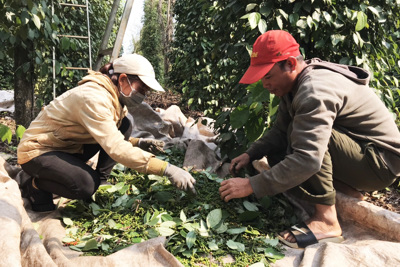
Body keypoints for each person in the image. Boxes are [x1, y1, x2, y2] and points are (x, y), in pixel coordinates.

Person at [219, 30, 400, 249]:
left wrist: (251, 185)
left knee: (305, 140)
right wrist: (251, 154)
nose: (265, 84)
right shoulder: (292, 87)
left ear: (290, 64)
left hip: (380, 163)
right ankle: (345, 192)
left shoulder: (313, 90)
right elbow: (279, 131)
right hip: (360, 153)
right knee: (283, 147)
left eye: (267, 76)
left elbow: (308, 159)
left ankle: (327, 221)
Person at [17, 53, 196, 212]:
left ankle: (101, 181)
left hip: (66, 145)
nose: (143, 95)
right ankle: (34, 184)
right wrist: (167, 169)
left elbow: (109, 133)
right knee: (85, 185)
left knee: (124, 124)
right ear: (123, 79)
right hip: (38, 151)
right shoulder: (94, 98)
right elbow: (116, 148)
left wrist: (138, 143)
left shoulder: (113, 97)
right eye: (141, 89)